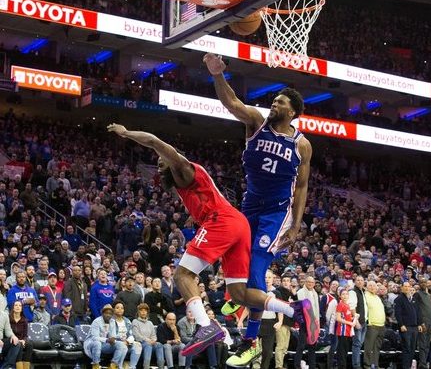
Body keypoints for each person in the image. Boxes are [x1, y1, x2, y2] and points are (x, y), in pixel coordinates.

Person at [108, 123, 317, 359]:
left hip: (222, 221)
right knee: (239, 294)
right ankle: (295, 309)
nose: (158, 162)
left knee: (182, 275)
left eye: (161, 159)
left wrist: (126, 133)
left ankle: (206, 325)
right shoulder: (183, 180)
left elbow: (155, 141)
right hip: (238, 225)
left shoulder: (182, 167)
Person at [203, 53, 316, 366]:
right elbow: (232, 103)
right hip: (249, 205)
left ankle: (250, 340)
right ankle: (234, 300)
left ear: (292, 112)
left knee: (254, 272)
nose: (274, 105)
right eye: (275, 100)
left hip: (276, 214)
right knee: (233, 258)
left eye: (280, 102)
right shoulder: (256, 122)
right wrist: (216, 75)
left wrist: (295, 224)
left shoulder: (302, 145)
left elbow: (303, 186)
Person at [84, 304, 126, 369]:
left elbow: (112, 336)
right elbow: (94, 337)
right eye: (106, 313)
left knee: (120, 344)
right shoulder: (97, 321)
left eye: (110, 313)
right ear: (102, 313)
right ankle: (96, 365)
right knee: (97, 343)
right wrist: (107, 340)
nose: (108, 315)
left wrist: (114, 338)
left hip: (103, 344)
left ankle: (113, 365)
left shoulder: (112, 321)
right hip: (91, 344)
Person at [395, 282, 421, 369]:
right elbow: (397, 313)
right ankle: (405, 367)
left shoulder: (413, 299)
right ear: (402, 288)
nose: (407, 288)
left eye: (408, 286)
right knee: (407, 348)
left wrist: (419, 324)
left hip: (414, 327)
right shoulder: (399, 299)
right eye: (405, 286)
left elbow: (418, 312)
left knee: (413, 349)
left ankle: (409, 366)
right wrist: (401, 324)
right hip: (405, 327)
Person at [132, 303, 166, 369]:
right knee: (148, 345)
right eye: (141, 310)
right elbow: (136, 335)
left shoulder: (150, 323)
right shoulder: (135, 321)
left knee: (159, 345)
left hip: (151, 342)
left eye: (145, 310)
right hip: (140, 343)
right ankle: (146, 367)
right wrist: (148, 340)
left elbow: (153, 335)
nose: (143, 312)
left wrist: (154, 340)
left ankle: (161, 367)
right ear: (138, 312)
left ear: (147, 312)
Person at [109, 301, 141, 369]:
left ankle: (132, 367)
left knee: (138, 345)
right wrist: (122, 342)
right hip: (114, 343)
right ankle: (119, 366)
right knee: (123, 346)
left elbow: (131, 335)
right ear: (113, 309)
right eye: (117, 308)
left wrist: (128, 341)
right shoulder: (110, 320)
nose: (120, 309)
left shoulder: (127, 321)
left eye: (122, 308)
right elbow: (110, 336)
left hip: (126, 342)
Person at [364, 280, 386, 369]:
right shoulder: (365, 296)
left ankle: (375, 365)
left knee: (377, 347)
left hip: (381, 325)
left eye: (374, 285)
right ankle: (367, 365)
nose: (372, 287)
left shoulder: (377, 297)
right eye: (370, 285)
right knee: (368, 348)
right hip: (372, 325)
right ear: (367, 287)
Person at [349, 275, 368, 369]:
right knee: (356, 344)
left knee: (359, 344)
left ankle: (357, 364)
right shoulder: (353, 292)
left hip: (364, 321)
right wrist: (355, 321)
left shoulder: (363, 292)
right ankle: (356, 366)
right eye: (358, 280)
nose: (360, 281)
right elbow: (352, 307)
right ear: (355, 282)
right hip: (358, 322)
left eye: (361, 280)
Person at [336, 288, 357, 369]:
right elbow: (338, 318)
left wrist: (353, 318)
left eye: (346, 294)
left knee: (345, 352)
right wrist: (350, 323)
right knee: (342, 353)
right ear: (340, 296)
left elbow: (347, 317)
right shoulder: (340, 304)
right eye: (343, 294)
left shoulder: (347, 305)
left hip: (348, 332)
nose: (345, 296)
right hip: (342, 331)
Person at [9, 301, 33, 369]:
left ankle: (26, 367)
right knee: (19, 345)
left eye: (20, 305)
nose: (18, 307)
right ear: (13, 308)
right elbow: (7, 332)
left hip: (21, 340)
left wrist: (24, 340)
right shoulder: (8, 318)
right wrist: (19, 340)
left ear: (22, 309)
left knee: (30, 344)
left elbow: (25, 335)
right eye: (16, 305)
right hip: (11, 339)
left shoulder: (24, 320)